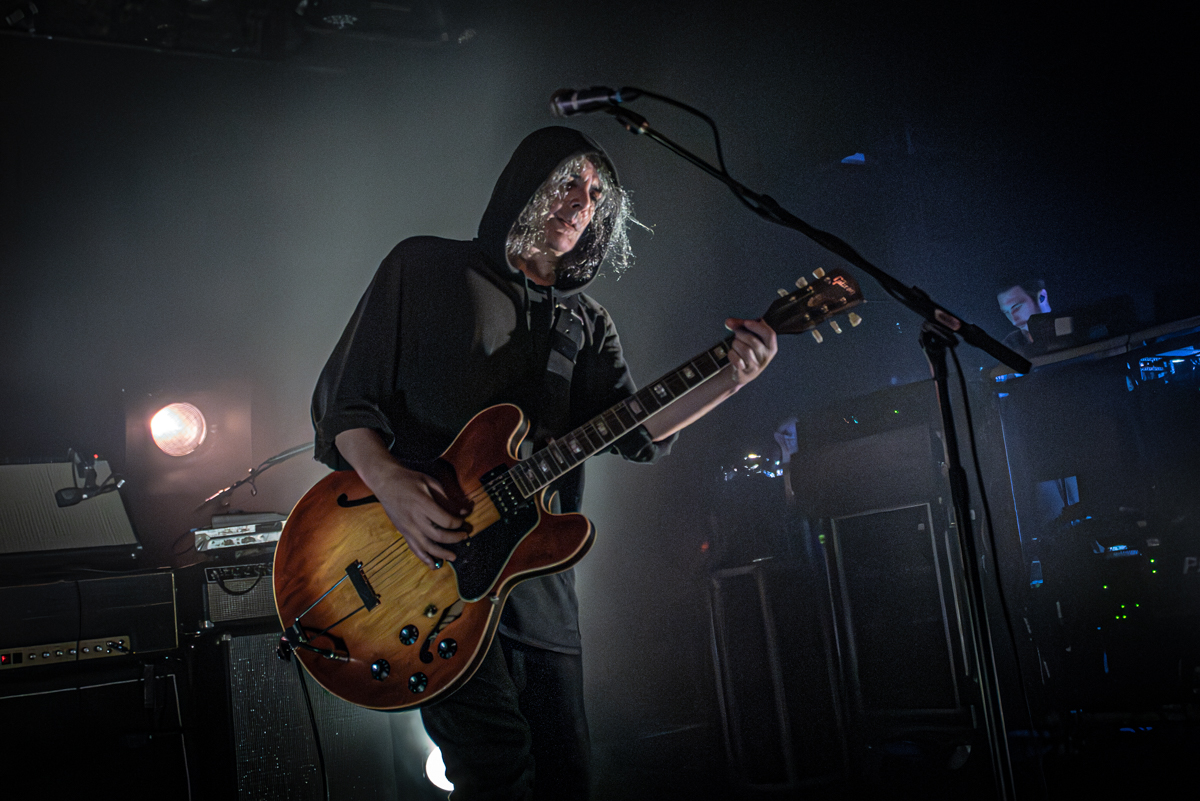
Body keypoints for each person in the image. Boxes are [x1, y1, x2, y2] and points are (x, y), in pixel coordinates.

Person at [310, 126, 777, 800]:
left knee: (567, 779)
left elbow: (637, 431)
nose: (581, 202)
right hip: (427, 573)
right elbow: (344, 401)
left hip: (538, 587)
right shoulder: (424, 267)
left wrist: (731, 378)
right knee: (496, 772)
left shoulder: (585, 323)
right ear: (524, 182)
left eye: (595, 196)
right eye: (568, 182)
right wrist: (391, 483)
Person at [997, 278, 1051, 356]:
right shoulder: (1010, 345)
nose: (1014, 321)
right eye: (1006, 312)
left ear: (1040, 298)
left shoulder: (1067, 328)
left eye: (1017, 307)